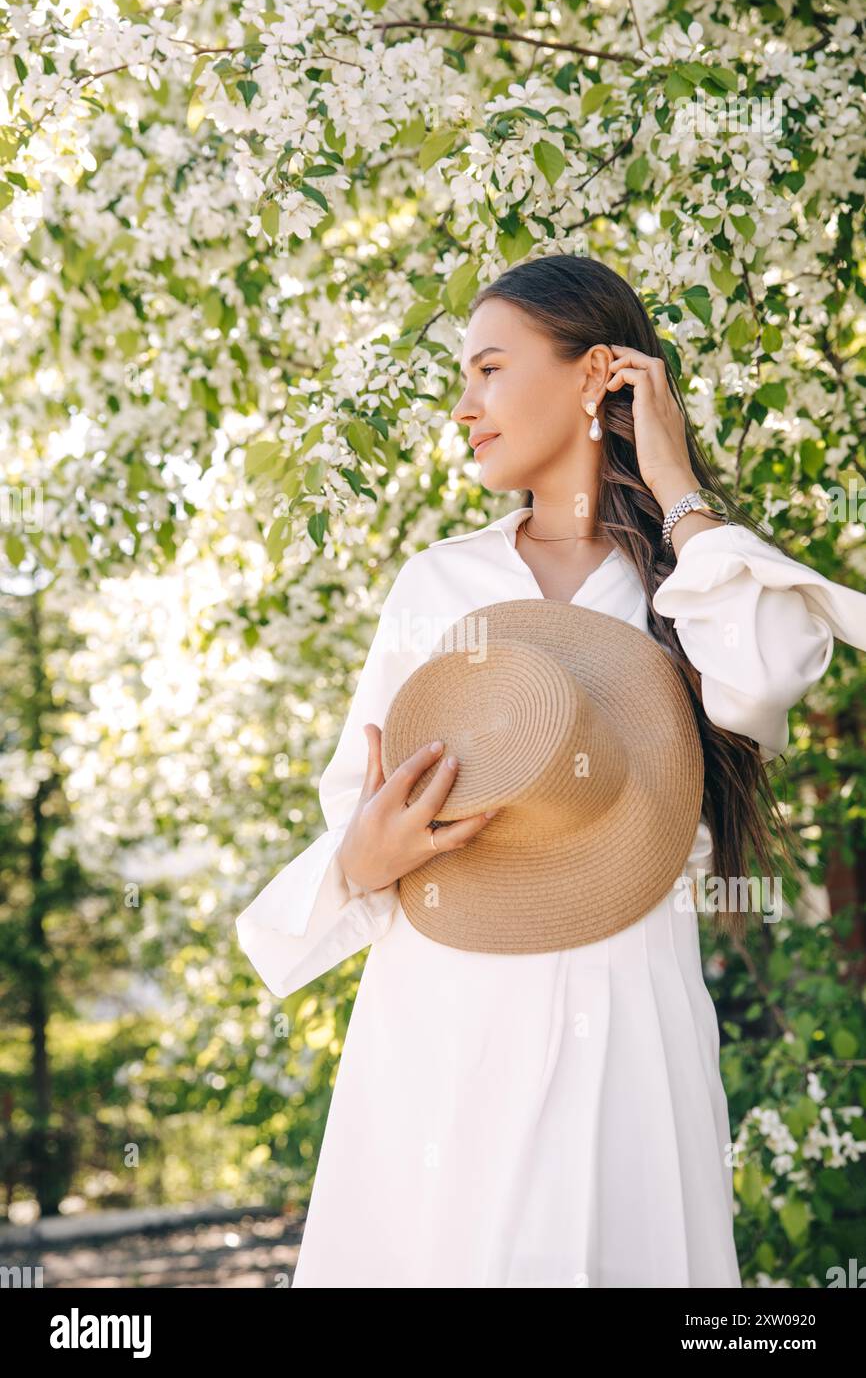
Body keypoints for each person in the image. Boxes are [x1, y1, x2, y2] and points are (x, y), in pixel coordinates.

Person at [235, 254, 866, 1288]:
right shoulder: (437, 584)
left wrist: (675, 487)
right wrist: (364, 852)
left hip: (630, 1019)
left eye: (487, 369)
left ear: (593, 379)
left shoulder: (688, 576)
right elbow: (360, 811)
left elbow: (761, 682)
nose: (464, 408)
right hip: (446, 1012)